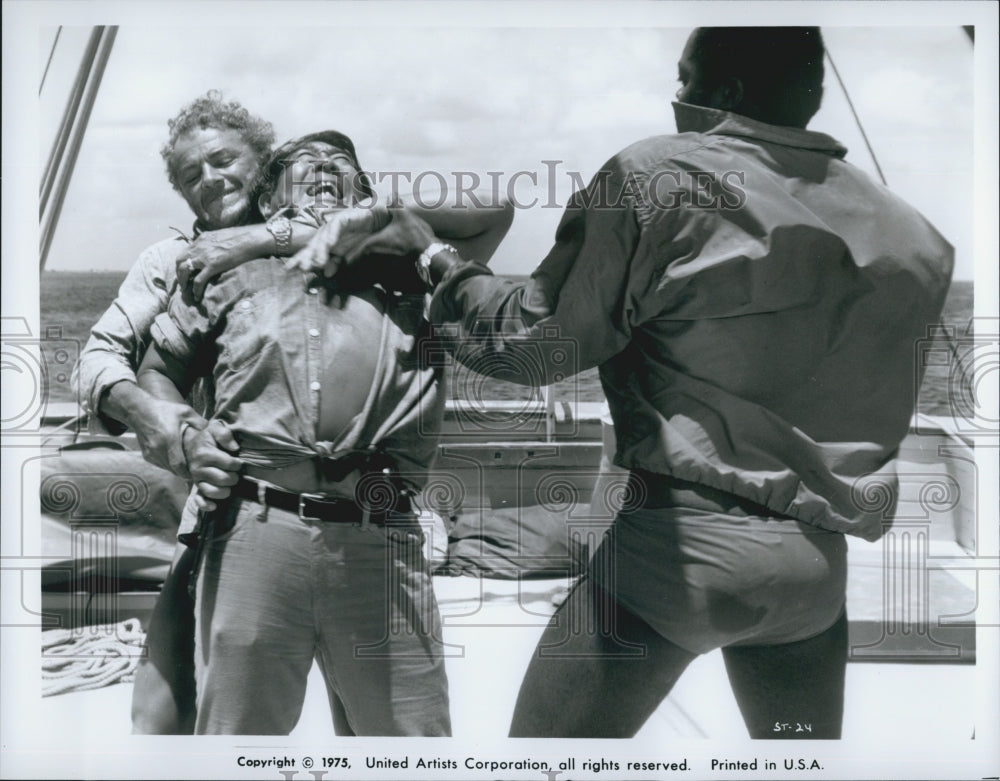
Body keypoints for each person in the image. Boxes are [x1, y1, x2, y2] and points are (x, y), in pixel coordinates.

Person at [295, 27, 955, 738]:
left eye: (686, 78)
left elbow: (526, 349)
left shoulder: (655, 176)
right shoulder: (914, 237)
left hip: (679, 557)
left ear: (725, 92)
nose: (676, 96)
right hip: (815, 577)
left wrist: (433, 259)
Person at [73, 92, 512, 733]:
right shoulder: (201, 269)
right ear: (273, 188)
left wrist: (360, 219)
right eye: (305, 160)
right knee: (216, 736)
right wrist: (177, 430)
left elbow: (496, 206)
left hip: (379, 536)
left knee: (411, 749)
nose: (324, 166)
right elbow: (138, 368)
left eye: (341, 163)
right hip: (248, 522)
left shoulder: (413, 274)